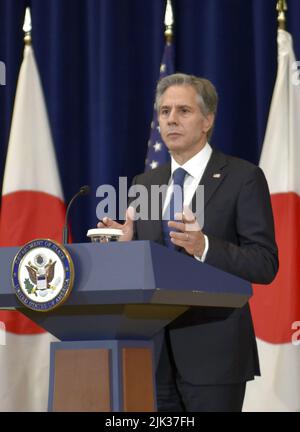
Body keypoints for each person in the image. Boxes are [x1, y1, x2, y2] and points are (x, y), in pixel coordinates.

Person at [98, 73, 279, 412]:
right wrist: (126, 251)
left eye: (183, 110)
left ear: (207, 120)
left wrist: (204, 247)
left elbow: (265, 263)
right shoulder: (146, 181)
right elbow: (148, 265)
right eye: (164, 111)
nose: (171, 119)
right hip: (151, 352)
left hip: (213, 353)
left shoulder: (242, 178)